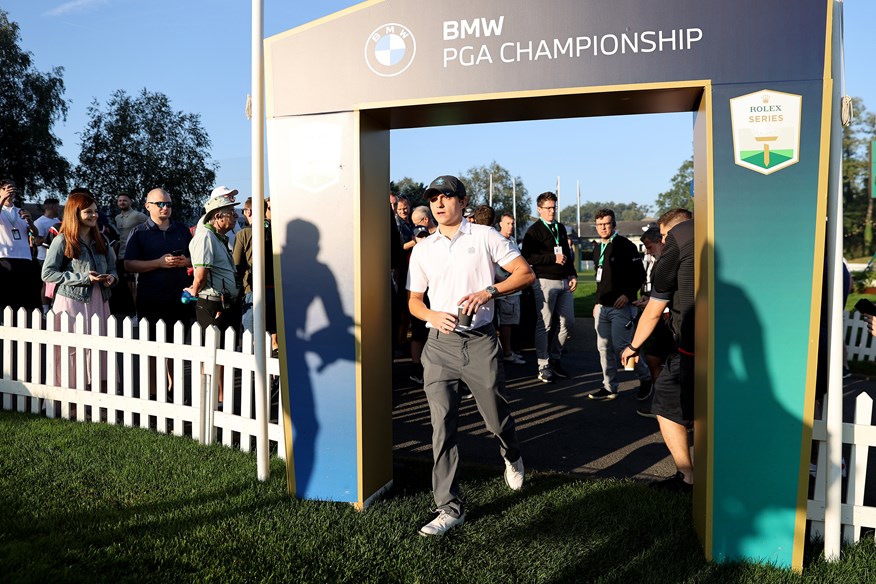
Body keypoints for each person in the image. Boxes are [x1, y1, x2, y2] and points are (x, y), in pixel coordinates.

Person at [407, 175, 535, 536]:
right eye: (433, 197)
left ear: (463, 201)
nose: (439, 202)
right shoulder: (423, 248)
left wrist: (488, 292)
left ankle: (511, 453)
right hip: (439, 346)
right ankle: (449, 507)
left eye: (446, 196)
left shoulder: (485, 236)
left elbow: (525, 274)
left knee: (495, 418)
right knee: (441, 427)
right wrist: (431, 315)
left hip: (480, 342)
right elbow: (414, 302)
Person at [621, 208, 694, 491]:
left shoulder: (675, 249)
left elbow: (653, 311)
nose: (663, 243)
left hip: (691, 347)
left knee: (664, 401)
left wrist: (632, 346)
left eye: (664, 236)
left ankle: (687, 477)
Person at [41, 190, 118, 387]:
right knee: (72, 349)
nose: (94, 216)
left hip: (100, 300)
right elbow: (47, 273)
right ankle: (69, 400)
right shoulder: (62, 239)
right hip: (71, 302)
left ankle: (98, 397)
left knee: (100, 348)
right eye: (88, 212)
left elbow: (112, 268)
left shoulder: (103, 240)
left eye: (95, 211)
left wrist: (111, 278)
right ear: (75, 213)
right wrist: (83, 278)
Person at [185, 191, 242, 405]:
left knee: (224, 354)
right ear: (217, 217)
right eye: (231, 213)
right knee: (213, 355)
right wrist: (194, 289)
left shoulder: (217, 237)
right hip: (212, 303)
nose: (235, 217)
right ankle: (212, 401)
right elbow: (200, 274)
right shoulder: (206, 237)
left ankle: (222, 400)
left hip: (224, 303)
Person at [589, 208, 650, 400]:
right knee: (603, 348)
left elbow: (639, 275)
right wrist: (597, 302)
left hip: (620, 307)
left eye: (606, 223)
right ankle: (609, 386)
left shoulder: (625, 246)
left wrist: (627, 294)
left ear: (614, 224)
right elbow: (600, 280)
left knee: (622, 346)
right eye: (599, 224)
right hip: (603, 307)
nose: (603, 227)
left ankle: (646, 377)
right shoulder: (598, 248)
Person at [522, 192, 577, 383]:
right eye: (548, 208)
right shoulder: (533, 231)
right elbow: (527, 257)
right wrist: (552, 258)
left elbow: (567, 255)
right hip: (544, 281)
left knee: (568, 322)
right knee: (544, 324)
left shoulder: (560, 228)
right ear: (539, 209)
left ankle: (554, 357)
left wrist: (572, 274)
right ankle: (543, 364)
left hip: (564, 280)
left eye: (554, 207)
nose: (552, 211)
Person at [124, 189, 194, 336]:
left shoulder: (182, 230)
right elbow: (129, 264)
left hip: (180, 299)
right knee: (152, 350)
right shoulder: (139, 232)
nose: (165, 208)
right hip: (151, 299)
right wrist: (158, 263)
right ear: (147, 206)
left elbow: (196, 260)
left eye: (168, 204)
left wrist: (186, 261)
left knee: (178, 347)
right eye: (160, 204)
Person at [233, 196, 278, 356]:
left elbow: (236, 265)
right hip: (277, 289)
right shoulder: (279, 232)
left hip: (253, 291)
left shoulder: (244, 234)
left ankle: (251, 376)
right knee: (274, 336)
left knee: (250, 338)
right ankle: (273, 377)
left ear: (248, 211)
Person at [0, 178, 42, 318]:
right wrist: (2, 199)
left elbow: (35, 234)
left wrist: (30, 221)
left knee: (24, 297)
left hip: (24, 258)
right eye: (6, 188)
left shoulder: (20, 211)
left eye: (13, 188)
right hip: (5, 258)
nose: (11, 191)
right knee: (5, 297)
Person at [495, 213, 526, 365]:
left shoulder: (512, 241)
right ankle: (506, 352)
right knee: (506, 322)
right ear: (500, 224)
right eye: (507, 223)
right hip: (505, 289)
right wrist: (505, 281)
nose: (511, 226)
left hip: (515, 288)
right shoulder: (497, 241)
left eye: (512, 223)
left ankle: (509, 351)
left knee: (511, 321)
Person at [112, 191, 147, 315]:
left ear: (130, 202)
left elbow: (150, 226)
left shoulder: (138, 216)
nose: (122, 202)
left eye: (125, 200)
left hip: (136, 256)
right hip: (122, 256)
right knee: (128, 286)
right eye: (120, 200)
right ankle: (132, 312)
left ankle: (139, 314)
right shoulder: (117, 218)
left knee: (136, 286)